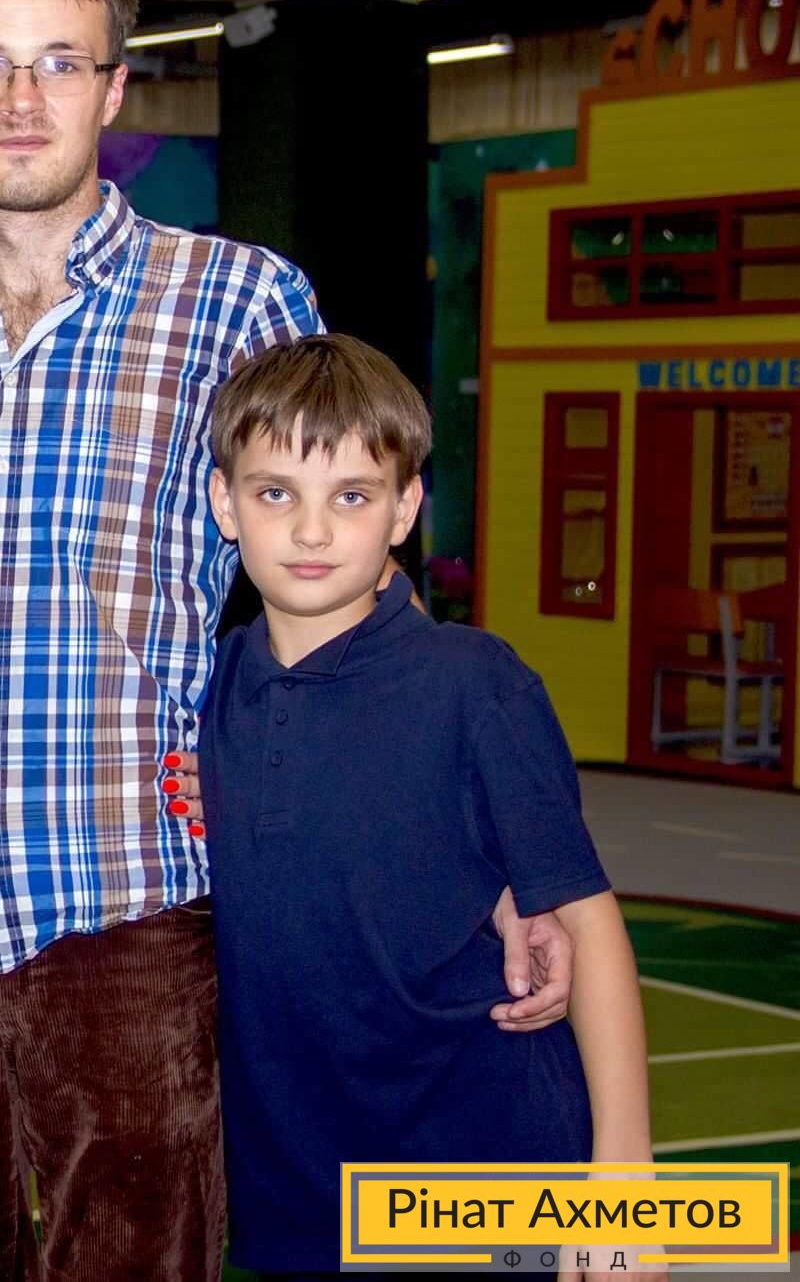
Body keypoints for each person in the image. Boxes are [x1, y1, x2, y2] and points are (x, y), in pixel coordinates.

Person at [0, 0, 576, 1279]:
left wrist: (492, 851)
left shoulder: (238, 298)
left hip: (127, 900)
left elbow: (345, 565)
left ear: (115, 88)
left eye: (60, 63)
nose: (21, 99)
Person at [201, 336, 658, 1282]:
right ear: (225, 504)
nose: (312, 531)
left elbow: (587, 921)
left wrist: (624, 1184)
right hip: (291, 1194)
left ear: (405, 508)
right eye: (276, 492)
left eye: (352, 496)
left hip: (485, 1170)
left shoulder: (474, 683)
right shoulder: (205, 686)